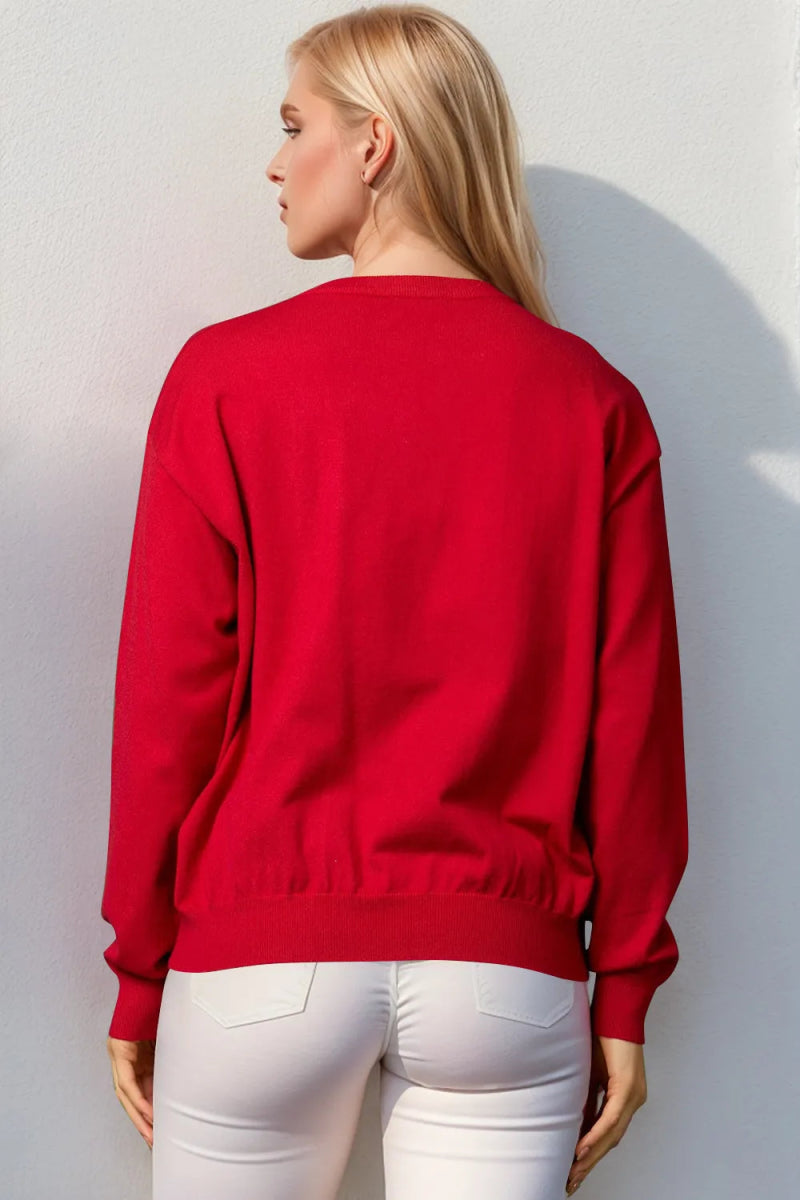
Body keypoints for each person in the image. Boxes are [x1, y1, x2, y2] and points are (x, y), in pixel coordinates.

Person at [100, 6, 689, 1198]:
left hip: (260, 964)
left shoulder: (223, 381)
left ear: (372, 142)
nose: (273, 165)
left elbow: (170, 701)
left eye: (293, 126)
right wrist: (623, 986)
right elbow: (632, 723)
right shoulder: (591, 403)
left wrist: (140, 970)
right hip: (504, 974)